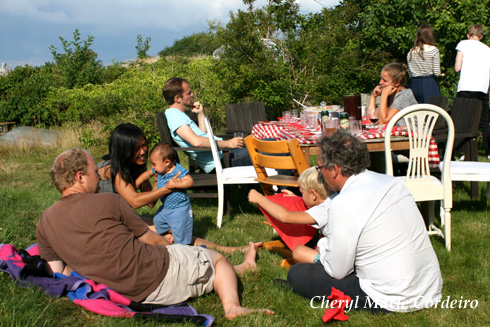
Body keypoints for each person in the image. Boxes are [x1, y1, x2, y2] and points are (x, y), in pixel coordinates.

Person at [36, 148, 274, 320]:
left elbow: (60, 273)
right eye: (93, 171)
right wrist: (181, 251)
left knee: (206, 267)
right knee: (214, 258)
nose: (99, 175)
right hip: (156, 277)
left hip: (123, 292)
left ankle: (241, 269)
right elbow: (155, 241)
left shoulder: (44, 222)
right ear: (79, 177)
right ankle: (232, 307)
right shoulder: (108, 202)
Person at [284, 132, 443, 313]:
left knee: (297, 274)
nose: (321, 176)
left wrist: (322, 251)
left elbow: (337, 271)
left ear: (335, 170)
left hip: (390, 296)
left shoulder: (344, 203)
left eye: (320, 169)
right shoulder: (392, 183)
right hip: (427, 287)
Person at [102, 122, 258, 253]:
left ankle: (228, 249)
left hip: (123, 217)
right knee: (166, 232)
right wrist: (167, 188)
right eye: (137, 148)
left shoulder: (137, 166)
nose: (143, 151)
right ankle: (190, 253)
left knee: (177, 229)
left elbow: (150, 203)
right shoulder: (114, 171)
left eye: (144, 146)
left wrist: (157, 182)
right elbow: (135, 201)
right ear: (125, 149)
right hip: (108, 224)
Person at [162, 77, 251, 173]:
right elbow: (196, 142)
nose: (192, 94)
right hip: (221, 160)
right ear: (177, 98)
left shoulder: (179, 115)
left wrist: (200, 113)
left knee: (264, 142)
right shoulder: (174, 116)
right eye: (188, 93)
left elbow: (201, 134)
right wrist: (228, 144)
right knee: (264, 151)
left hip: (223, 154)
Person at [248, 167, 333, 264]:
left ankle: (321, 263)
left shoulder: (322, 211)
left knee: (299, 252)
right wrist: (296, 198)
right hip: (337, 248)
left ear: (313, 194)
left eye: (302, 193)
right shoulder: (332, 200)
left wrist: (260, 199)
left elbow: (285, 217)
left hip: (334, 260)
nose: (302, 197)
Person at [135, 142, 194, 245]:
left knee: (181, 236)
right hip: (166, 207)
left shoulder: (178, 171)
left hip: (179, 209)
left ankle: (182, 246)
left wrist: (176, 184)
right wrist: (137, 183)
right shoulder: (159, 170)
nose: (152, 167)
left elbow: (190, 181)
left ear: (167, 162)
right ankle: (173, 232)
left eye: (154, 164)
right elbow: (146, 175)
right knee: (158, 221)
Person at [455, 24, 490, 158]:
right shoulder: (487, 49)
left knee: (463, 119)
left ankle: (463, 151)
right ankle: (488, 151)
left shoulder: (463, 44)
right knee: (483, 120)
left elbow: (458, 67)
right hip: (482, 88)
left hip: (466, 86)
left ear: (468, 35)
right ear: (481, 36)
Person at [407, 24, 442, 103]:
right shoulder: (433, 50)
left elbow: (409, 72)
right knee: (433, 109)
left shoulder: (411, 51)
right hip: (429, 83)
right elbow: (437, 72)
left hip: (414, 83)